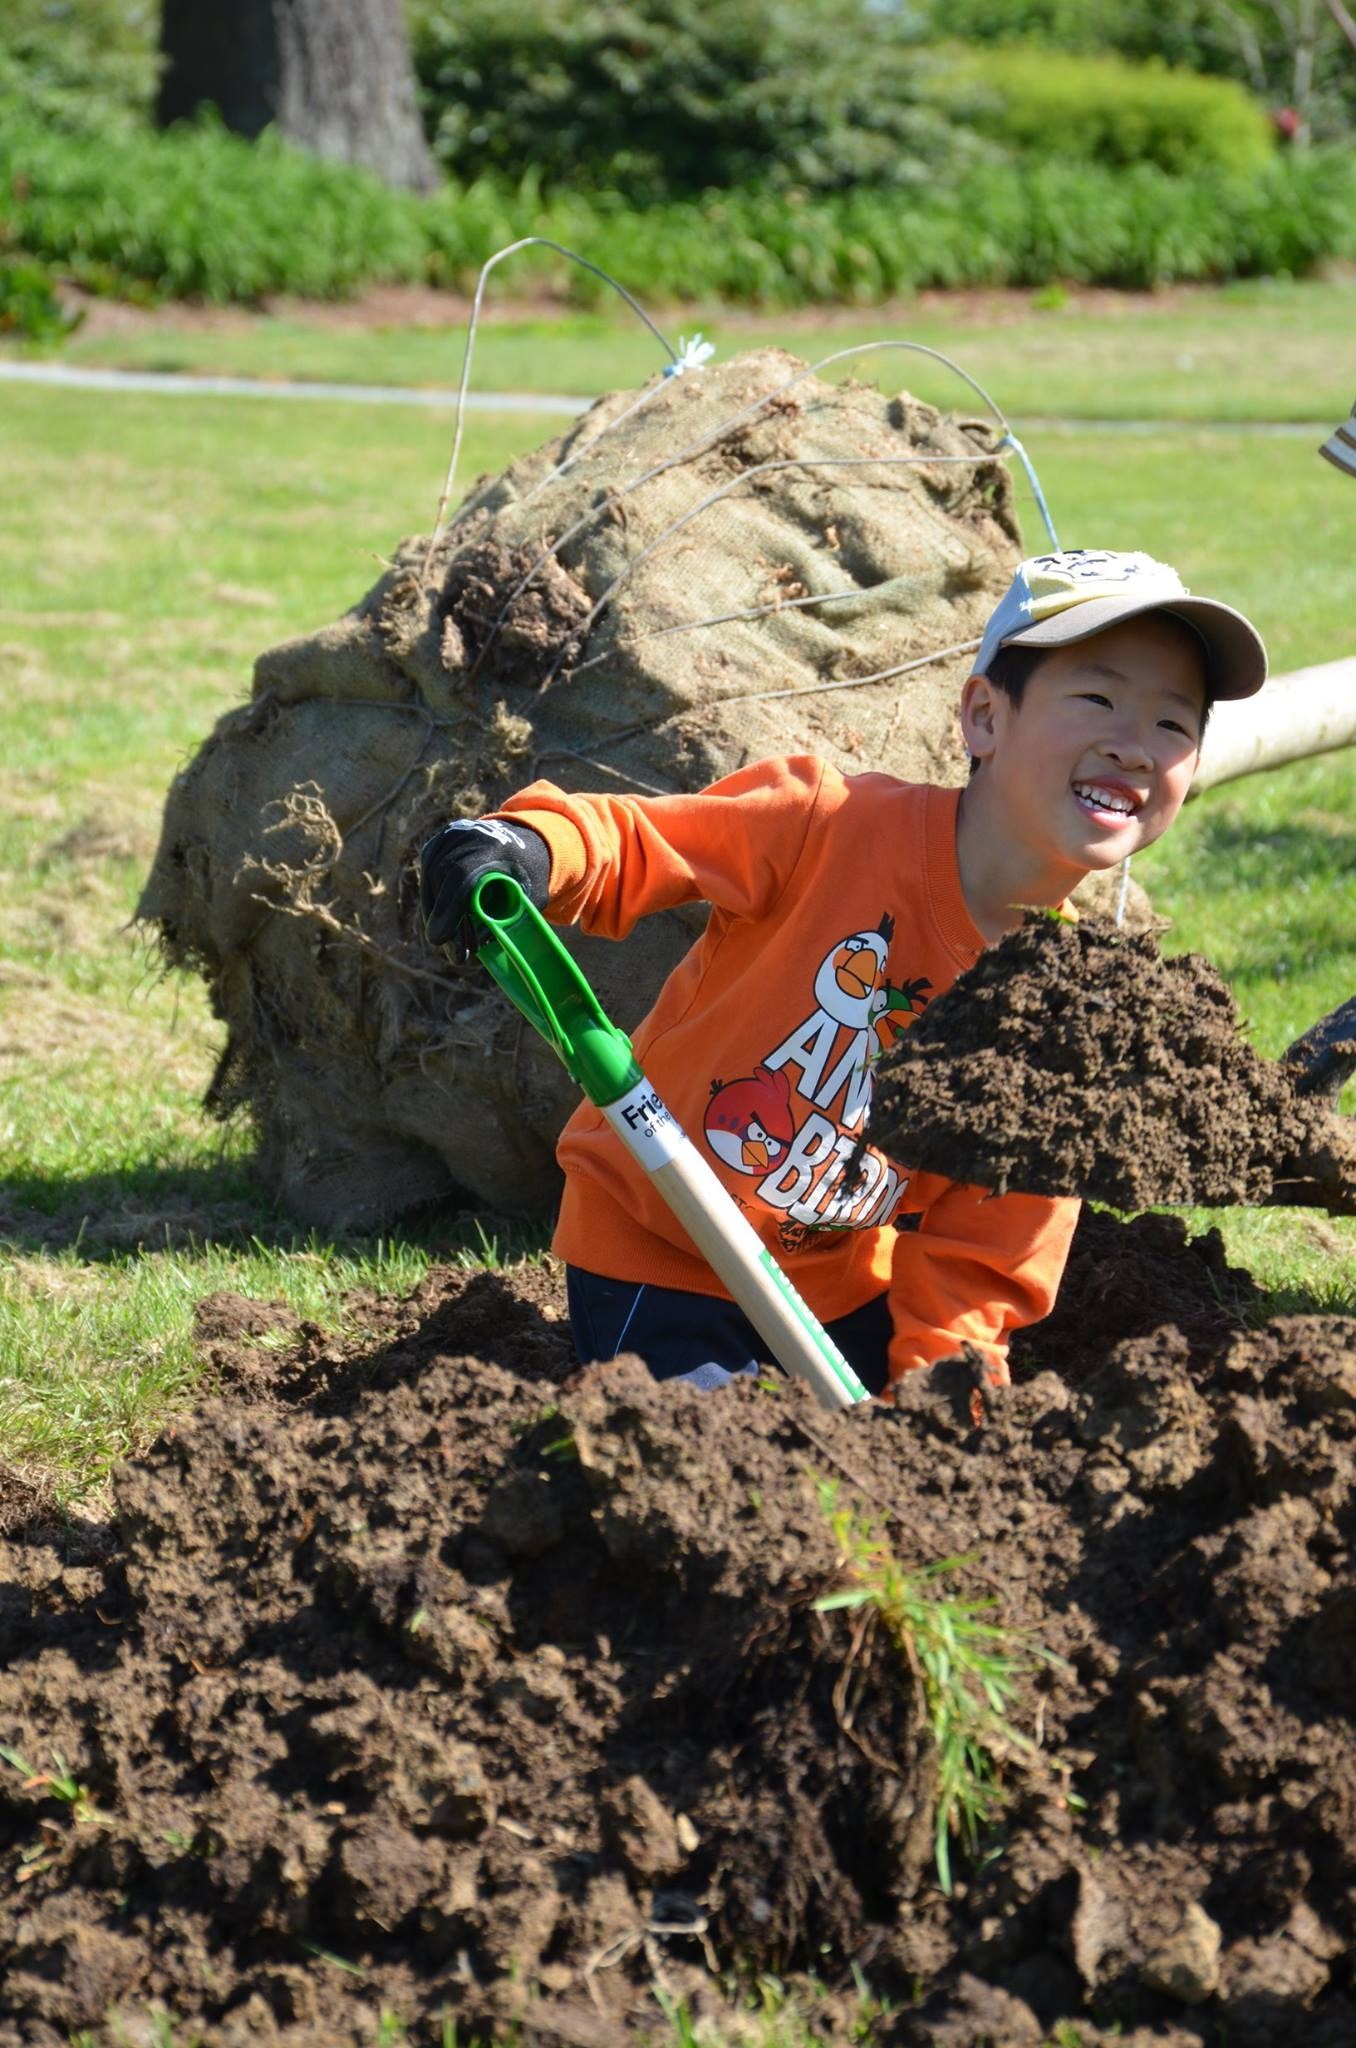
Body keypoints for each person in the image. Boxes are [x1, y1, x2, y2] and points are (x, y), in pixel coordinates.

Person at [420, 549, 1268, 1397]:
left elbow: (984, 1258)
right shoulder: (830, 826)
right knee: (717, 1462)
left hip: (838, 1286)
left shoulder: (1071, 1025)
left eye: (1174, 724)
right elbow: (639, 844)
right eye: (1098, 698)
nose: (1133, 745)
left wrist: (945, 1411)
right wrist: (530, 847)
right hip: (664, 1248)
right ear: (984, 718)